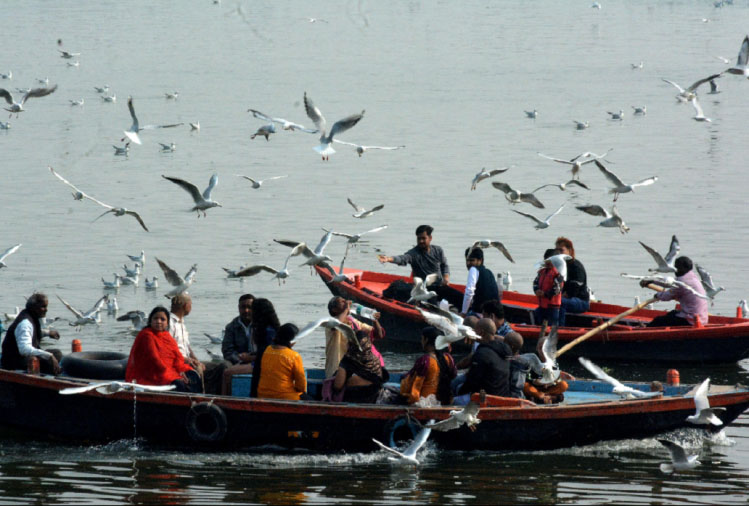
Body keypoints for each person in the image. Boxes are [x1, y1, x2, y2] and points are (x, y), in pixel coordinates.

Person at [378, 224, 464, 308]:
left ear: (430, 238)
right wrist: (389, 259)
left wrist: (446, 277)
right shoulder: (413, 254)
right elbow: (403, 258)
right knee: (434, 306)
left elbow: (444, 265)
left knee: (461, 298)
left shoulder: (438, 250)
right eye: (419, 239)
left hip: (440, 286)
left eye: (423, 238)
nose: (421, 241)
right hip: (424, 290)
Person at [125, 306, 201, 392]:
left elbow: (177, 358)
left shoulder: (167, 336)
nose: (158, 321)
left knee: (193, 376)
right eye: (155, 318)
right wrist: (176, 375)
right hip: (152, 374)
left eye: (162, 319)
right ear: (150, 321)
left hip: (167, 371)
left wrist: (181, 370)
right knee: (178, 383)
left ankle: (197, 402)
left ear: (167, 323)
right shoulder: (146, 335)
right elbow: (156, 361)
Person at [1, 293, 62, 375]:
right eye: (43, 307)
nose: (46, 310)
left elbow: (30, 332)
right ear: (34, 308)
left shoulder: (29, 316)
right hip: (14, 363)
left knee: (56, 353)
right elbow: (24, 349)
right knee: (51, 358)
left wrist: (48, 333)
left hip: (21, 358)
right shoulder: (25, 323)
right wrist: (49, 356)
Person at [324, 296, 385, 378]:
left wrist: (374, 320)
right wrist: (346, 309)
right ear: (334, 309)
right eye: (342, 302)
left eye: (345, 300)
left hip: (353, 370)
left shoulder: (353, 322)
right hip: (336, 369)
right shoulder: (329, 323)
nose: (345, 302)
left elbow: (378, 334)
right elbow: (337, 324)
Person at [456, 318, 512, 404]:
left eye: (475, 331)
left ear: (481, 332)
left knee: (455, 396)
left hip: (485, 400)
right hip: (502, 395)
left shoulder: (482, 354)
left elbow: (472, 382)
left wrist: (457, 394)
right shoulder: (505, 349)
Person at [642, 256, 708, 327]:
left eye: (677, 267)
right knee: (672, 314)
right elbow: (669, 283)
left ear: (685, 268)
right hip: (703, 320)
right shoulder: (692, 277)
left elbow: (667, 296)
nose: (675, 270)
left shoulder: (683, 281)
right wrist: (652, 281)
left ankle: (644, 330)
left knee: (658, 320)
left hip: (691, 321)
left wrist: (657, 295)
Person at [399, 326, 457, 405]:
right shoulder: (448, 358)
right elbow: (453, 376)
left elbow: (415, 387)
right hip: (445, 401)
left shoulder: (425, 360)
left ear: (426, 340)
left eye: (422, 339)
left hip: (424, 402)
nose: (421, 341)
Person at [504, 332, 568, 403]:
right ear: (537, 348)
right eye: (541, 348)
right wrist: (535, 381)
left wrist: (551, 382)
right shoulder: (530, 360)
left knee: (563, 385)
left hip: (547, 389)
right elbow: (526, 378)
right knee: (525, 386)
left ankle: (544, 397)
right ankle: (545, 398)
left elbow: (557, 378)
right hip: (534, 388)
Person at [332, 330, 389, 403]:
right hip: (374, 398)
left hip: (355, 398)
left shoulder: (347, 360)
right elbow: (381, 379)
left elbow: (337, 386)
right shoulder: (375, 359)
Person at [256, 323, 310, 400]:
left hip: (262, 394)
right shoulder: (294, 356)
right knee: (310, 399)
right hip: (286, 396)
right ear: (292, 340)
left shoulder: (265, 350)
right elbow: (301, 385)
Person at [221, 293, 256, 395]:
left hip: (256, 361)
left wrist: (251, 359)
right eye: (243, 307)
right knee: (224, 366)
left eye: (249, 307)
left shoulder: (260, 325)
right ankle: (225, 399)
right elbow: (227, 350)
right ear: (238, 308)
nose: (246, 311)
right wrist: (240, 360)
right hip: (238, 361)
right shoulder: (231, 327)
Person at [534, 248, 564, 355]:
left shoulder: (558, 275)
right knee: (538, 318)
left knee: (552, 327)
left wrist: (545, 294)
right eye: (545, 259)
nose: (546, 262)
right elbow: (536, 283)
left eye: (549, 260)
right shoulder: (541, 272)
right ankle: (540, 343)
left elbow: (557, 289)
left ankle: (551, 347)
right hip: (542, 305)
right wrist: (536, 290)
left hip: (553, 307)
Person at [249, 298, 281, 398]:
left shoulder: (268, 331)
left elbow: (266, 354)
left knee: (227, 373)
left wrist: (250, 358)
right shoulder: (271, 329)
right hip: (263, 362)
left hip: (264, 365)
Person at [555, 237, 590, 327]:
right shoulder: (558, 266)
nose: (558, 253)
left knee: (560, 302)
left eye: (561, 250)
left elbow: (574, 289)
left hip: (581, 301)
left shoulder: (576, 266)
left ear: (569, 251)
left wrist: (562, 296)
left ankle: (559, 329)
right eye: (557, 250)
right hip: (565, 298)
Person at [461, 247, 500, 316]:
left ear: (480, 260)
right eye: (467, 260)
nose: (468, 263)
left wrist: (463, 313)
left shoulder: (473, 269)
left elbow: (469, 292)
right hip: (494, 313)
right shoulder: (489, 272)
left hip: (480, 313)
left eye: (472, 260)